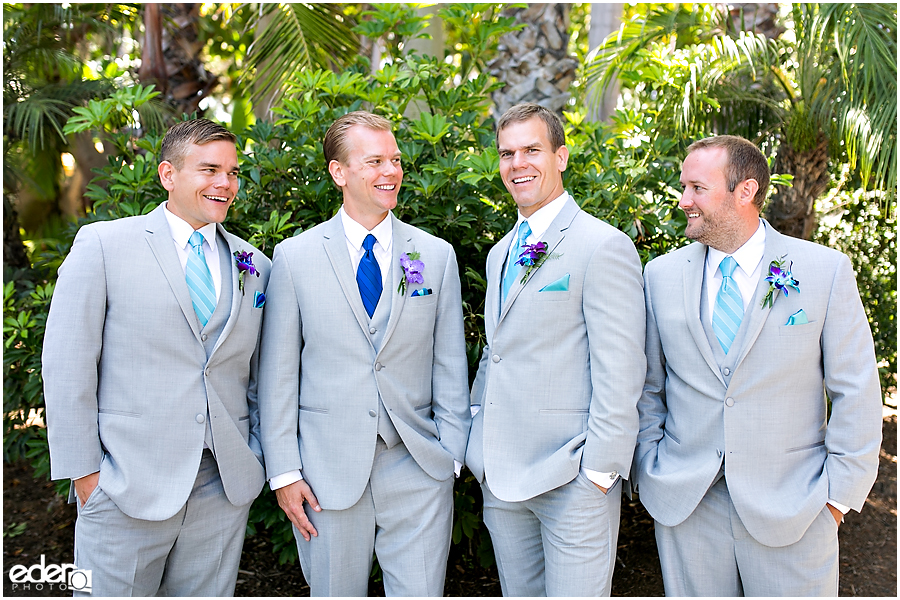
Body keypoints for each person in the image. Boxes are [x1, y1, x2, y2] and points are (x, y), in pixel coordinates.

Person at [634, 134, 882, 596]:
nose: (684, 200)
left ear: (744, 191)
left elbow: (858, 390)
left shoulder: (823, 271)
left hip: (796, 507)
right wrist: (651, 470)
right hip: (687, 507)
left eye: (697, 188)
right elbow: (649, 386)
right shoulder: (659, 276)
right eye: (683, 187)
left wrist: (837, 498)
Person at [42, 118, 271, 596]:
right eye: (209, 169)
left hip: (221, 485)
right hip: (124, 482)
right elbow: (68, 365)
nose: (224, 183)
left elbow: (256, 374)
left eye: (232, 172)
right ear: (168, 174)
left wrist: (253, 452)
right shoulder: (104, 245)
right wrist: (87, 475)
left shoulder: (255, 264)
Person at [257, 111, 471, 596]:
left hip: (418, 465)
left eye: (394, 159)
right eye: (374, 161)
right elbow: (278, 377)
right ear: (340, 173)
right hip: (324, 473)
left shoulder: (434, 255)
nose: (391, 171)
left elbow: (450, 363)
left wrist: (450, 456)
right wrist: (285, 472)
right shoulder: (296, 257)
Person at [465, 103, 646, 596]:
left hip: (573, 477)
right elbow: (495, 351)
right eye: (506, 153)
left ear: (561, 157)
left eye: (531, 150)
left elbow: (622, 368)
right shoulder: (501, 251)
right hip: (501, 475)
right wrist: (477, 437)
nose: (517, 163)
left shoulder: (601, 245)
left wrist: (600, 471)